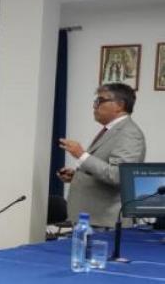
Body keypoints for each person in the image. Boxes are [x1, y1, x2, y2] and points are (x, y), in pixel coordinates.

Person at [58, 82, 147, 227]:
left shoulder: (129, 134)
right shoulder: (111, 131)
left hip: (106, 222)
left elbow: (118, 176)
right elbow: (104, 169)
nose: (94, 106)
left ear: (119, 105)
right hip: (90, 220)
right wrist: (78, 176)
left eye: (99, 101)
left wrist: (82, 155)